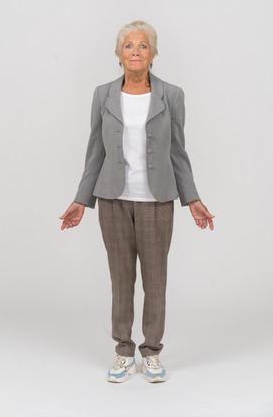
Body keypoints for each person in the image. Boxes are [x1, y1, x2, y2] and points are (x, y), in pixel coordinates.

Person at [59, 20, 215, 384]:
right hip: (112, 199)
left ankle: (152, 352)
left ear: (153, 54)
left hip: (156, 200)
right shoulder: (103, 94)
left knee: (155, 280)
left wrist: (191, 198)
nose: (135, 51)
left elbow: (178, 151)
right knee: (121, 279)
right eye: (128, 46)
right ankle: (124, 351)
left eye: (143, 46)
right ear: (118, 54)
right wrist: (81, 200)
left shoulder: (171, 95)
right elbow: (94, 151)